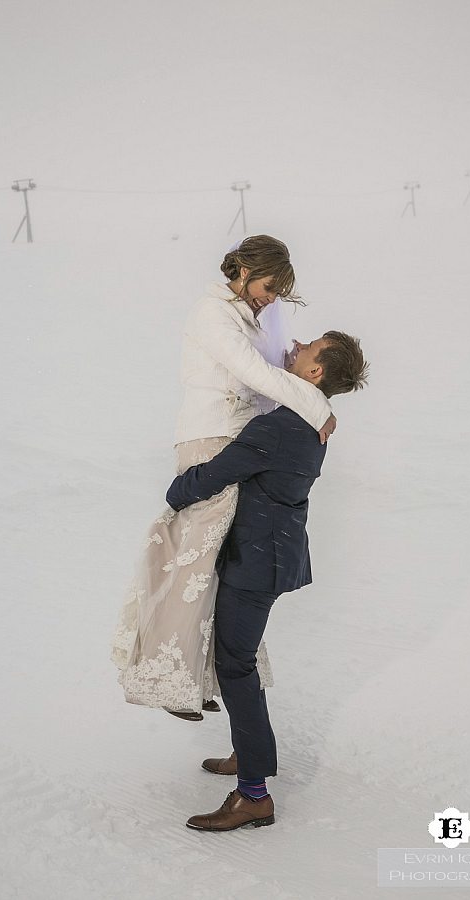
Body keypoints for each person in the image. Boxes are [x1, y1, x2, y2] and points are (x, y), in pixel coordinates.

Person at [110, 236, 336, 719]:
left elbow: (274, 371)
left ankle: (203, 676)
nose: (271, 298)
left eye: (278, 292)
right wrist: (317, 406)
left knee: (221, 568)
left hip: (236, 444)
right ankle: (170, 680)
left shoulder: (250, 318)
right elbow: (252, 372)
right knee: (193, 563)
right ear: (244, 269)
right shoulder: (211, 313)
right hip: (209, 439)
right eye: (269, 287)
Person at [165, 331, 369, 831]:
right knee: (239, 659)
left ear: (315, 372)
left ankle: (254, 794)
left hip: (258, 563)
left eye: (309, 348)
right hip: (270, 556)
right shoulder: (309, 420)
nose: (296, 346)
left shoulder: (282, 426)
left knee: (234, 665)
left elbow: (217, 473)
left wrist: (176, 492)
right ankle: (245, 752)